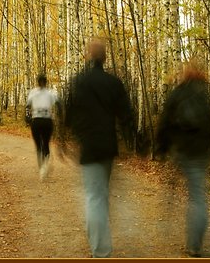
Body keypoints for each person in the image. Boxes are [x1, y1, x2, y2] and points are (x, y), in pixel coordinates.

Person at [63, 38, 134, 258]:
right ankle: (98, 240)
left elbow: (68, 114)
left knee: (95, 196)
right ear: (104, 58)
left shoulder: (79, 82)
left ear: (88, 56)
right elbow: (126, 114)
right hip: (108, 146)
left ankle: (100, 249)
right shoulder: (113, 83)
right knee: (100, 194)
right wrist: (134, 140)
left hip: (89, 146)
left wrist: (66, 139)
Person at [155, 60, 210, 258]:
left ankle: (172, 224)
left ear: (184, 76)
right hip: (199, 153)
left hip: (183, 150)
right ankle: (195, 245)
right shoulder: (204, 95)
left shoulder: (177, 94)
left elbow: (165, 123)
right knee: (197, 197)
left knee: (182, 191)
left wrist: (161, 149)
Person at [26, 74, 61, 180]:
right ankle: (43, 167)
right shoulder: (51, 93)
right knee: (43, 144)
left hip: (38, 121)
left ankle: (42, 167)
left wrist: (27, 118)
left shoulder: (33, 92)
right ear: (45, 82)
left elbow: (27, 106)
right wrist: (60, 115)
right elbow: (59, 104)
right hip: (46, 121)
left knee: (41, 144)